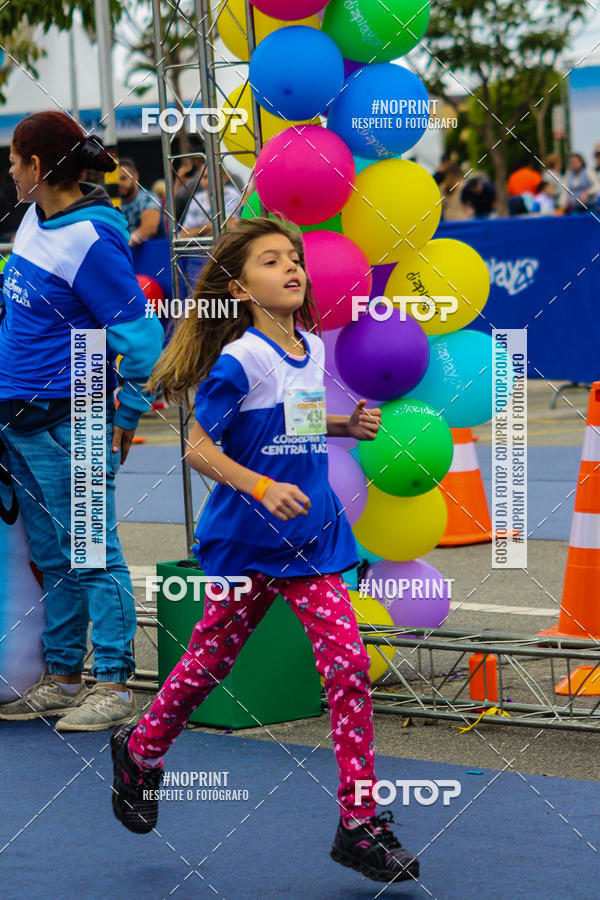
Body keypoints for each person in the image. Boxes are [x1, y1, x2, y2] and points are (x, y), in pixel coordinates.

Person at [110, 217, 420, 885]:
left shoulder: (308, 346)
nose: (291, 268)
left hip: (311, 543)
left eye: (294, 258)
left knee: (348, 668)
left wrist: (344, 424)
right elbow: (197, 446)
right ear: (239, 287)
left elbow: (295, 417)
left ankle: (359, 820)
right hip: (248, 543)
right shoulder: (240, 358)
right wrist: (261, 484)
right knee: (205, 665)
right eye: (271, 260)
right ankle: (140, 749)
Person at [0, 111, 164, 730]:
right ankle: (65, 676)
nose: (10, 170)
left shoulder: (92, 239)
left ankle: (116, 685)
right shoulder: (34, 218)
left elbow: (144, 343)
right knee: (55, 552)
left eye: (14, 160)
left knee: (93, 551)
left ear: (37, 168)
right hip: (21, 422)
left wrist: (122, 413)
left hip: (74, 421)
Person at [179, 165, 241, 237]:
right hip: (201, 246)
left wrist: (197, 231)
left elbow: (229, 227)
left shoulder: (232, 195)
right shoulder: (197, 198)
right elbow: (184, 234)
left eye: (213, 176)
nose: (209, 181)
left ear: (224, 178)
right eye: (205, 177)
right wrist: (211, 227)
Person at [118, 157, 167, 246]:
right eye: (116, 180)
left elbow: (150, 228)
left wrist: (125, 244)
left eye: (123, 178)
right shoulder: (115, 202)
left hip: (156, 255)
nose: (119, 183)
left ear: (135, 177)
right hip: (127, 257)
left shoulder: (148, 198)